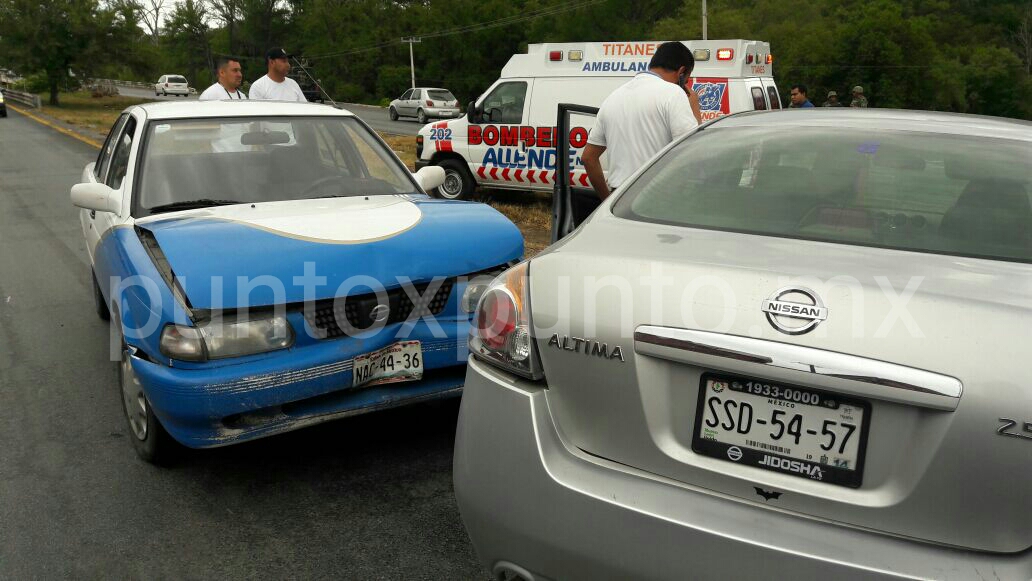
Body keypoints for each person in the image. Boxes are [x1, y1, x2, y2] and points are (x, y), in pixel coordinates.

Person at [582, 41, 701, 202]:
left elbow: (588, 158)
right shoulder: (673, 93)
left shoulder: (613, 98)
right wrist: (694, 105)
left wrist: (607, 201)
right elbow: (693, 151)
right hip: (658, 198)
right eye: (686, 80)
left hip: (619, 199)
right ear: (681, 72)